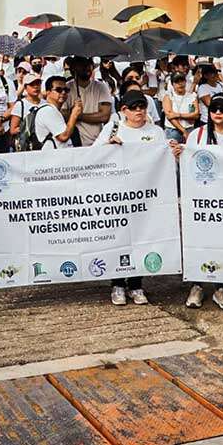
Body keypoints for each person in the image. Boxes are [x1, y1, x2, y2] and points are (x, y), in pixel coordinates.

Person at [179, 92, 223, 311]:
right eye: (214, 109)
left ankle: (221, 288)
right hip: (202, 199)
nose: (218, 113)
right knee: (200, 240)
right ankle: (197, 285)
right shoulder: (197, 135)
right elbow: (187, 163)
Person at [94, 90, 166, 306]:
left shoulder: (156, 132)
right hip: (118, 194)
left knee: (142, 238)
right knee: (120, 237)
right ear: (123, 110)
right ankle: (117, 283)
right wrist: (108, 146)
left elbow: (164, 160)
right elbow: (93, 154)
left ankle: (136, 284)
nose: (139, 111)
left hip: (146, 196)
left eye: (142, 106)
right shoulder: (113, 128)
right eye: (133, 107)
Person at [64, 56, 113, 147]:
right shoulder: (67, 88)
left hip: (97, 142)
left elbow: (104, 116)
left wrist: (78, 115)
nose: (87, 68)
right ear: (73, 69)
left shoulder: (101, 86)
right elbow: (63, 114)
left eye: (89, 65)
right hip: (74, 144)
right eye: (82, 65)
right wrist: (74, 112)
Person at [34, 76, 83, 150]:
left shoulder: (53, 110)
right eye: (58, 90)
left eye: (66, 90)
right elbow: (63, 136)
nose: (63, 92)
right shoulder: (47, 111)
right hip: (52, 158)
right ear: (48, 92)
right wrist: (74, 114)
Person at [161, 72, 199, 144]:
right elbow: (170, 116)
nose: (180, 84)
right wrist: (183, 131)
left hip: (189, 128)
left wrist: (178, 115)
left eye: (182, 81)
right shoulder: (168, 96)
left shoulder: (192, 96)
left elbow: (195, 115)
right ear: (172, 84)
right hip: (173, 130)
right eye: (177, 82)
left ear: (185, 82)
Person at [8, 73, 44, 143]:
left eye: (38, 84)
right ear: (25, 87)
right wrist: (29, 128)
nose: (36, 87)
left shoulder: (45, 103)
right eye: (32, 85)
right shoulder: (20, 105)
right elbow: (13, 130)